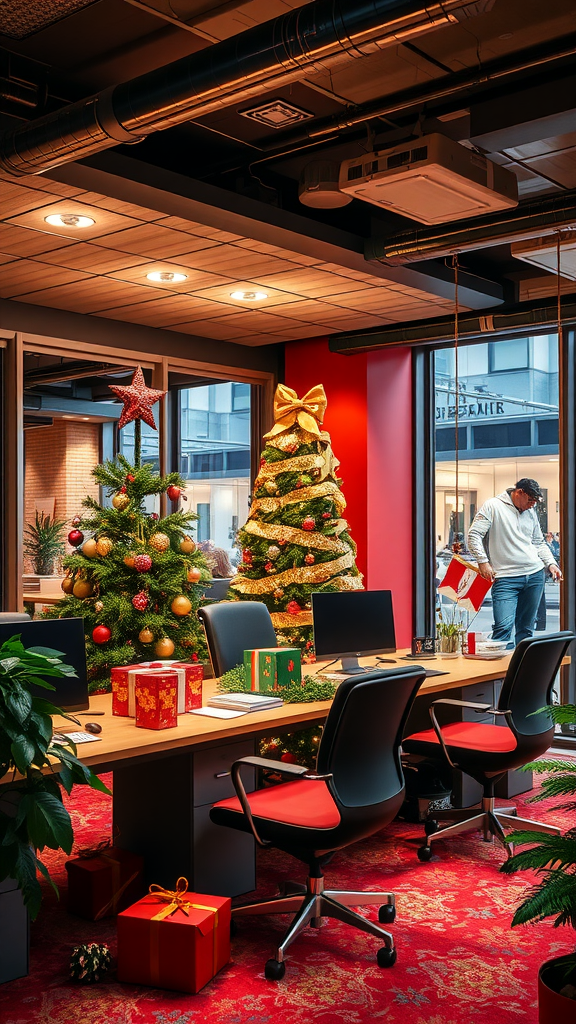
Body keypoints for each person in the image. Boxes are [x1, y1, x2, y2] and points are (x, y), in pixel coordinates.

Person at [467, 478, 562, 646]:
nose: (533, 505)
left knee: (526, 630)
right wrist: (483, 561)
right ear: (519, 492)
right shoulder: (493, 506)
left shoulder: (530, 512)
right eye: (530, 500)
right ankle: (501, 672)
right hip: (506, 577)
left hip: (534, 575)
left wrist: (551, 563)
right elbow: (473, 535)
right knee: (503, 629)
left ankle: (523, 671)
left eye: (535, 501)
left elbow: (538, 542)